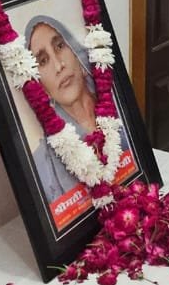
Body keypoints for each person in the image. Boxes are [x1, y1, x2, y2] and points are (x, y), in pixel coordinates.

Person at [24, 14, 136, 212]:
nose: (59, 65)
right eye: (43, 60)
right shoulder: (41, 164)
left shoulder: (121, 107)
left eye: (60, 46)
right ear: (40, 86)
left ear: (76, 52)